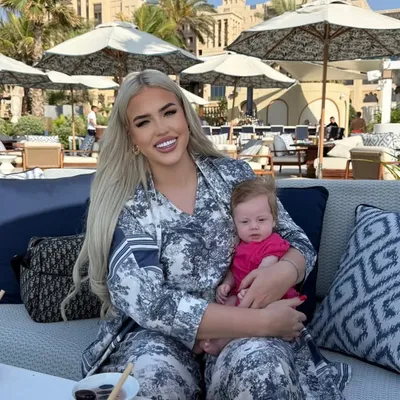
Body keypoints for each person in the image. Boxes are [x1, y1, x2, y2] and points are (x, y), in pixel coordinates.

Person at [63, 70, 349, 399]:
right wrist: (263, 323)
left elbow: (297, 243)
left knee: (264, 369)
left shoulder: (233, 175)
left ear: (185, 115)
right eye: (144, 122)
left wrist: (284, 272)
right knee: (150, 381)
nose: (162, 128)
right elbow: (149, 302)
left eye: (169, 112)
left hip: (245, 326)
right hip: (159, 335)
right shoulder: (127, 202)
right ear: (131, 137)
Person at [197, 177, 301, 356]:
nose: (253, 227)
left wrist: (251, 288)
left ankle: (221, 342)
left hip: (269, 295)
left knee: (241, 309)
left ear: (274, 220)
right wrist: (227, 284)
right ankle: (213, 336)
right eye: (245, 222)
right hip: (242, 293)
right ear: (235, 224)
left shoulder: (273, 242)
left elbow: (266, 269)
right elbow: (234, 270)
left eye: (261, 220)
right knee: (225, 305)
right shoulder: (240, 246)